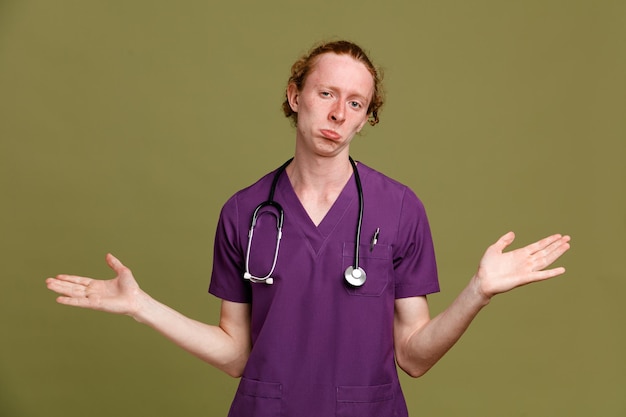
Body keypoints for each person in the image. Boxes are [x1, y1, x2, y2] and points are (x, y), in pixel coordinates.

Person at [46, 40, 571, 417]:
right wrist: (143, 307)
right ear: (295, 95)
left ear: (366, 119)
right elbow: (235, 354)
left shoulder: (400, 209)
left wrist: (476, 293)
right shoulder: (244, 213)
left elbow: (413, 356)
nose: (339, 112)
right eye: (326, 93)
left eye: (356, 103)